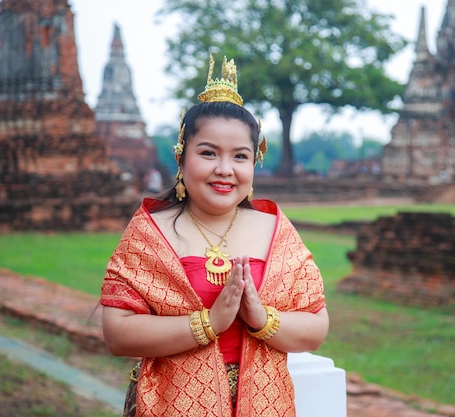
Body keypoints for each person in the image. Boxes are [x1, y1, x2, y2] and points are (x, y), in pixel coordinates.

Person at [99, 54, 329, 417]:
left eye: (240, 156)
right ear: (181, 156)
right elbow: (117, 333)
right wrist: (208, 323)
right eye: (208, 153)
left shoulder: (275, 230)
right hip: (171, 404)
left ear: (254, 162)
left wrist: (262, 318)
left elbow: (316, 326)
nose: (225, 169)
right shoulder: (151, 231)